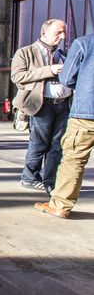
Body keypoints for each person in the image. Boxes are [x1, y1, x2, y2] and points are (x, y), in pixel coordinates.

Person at [34, 32, 94, 218]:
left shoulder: (84, 43)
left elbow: (67, 78)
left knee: (74, 160)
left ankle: (61, 204)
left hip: (86, 112)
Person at [11, 19, 71, 195]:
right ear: (44, 32)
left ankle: (50, 180)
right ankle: (29, 177)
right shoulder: (25, 52)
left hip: (63, 106)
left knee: (57, 145)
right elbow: (17, 76)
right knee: (39, 143)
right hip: (41, 105)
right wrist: (49, 70)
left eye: (64, 33)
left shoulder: (63, 54)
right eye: (58, 33)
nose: (62, 36)